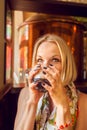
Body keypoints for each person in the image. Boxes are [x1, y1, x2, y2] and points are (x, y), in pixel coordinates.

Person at [14, 34, 87, 130]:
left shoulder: (83, 101)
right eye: (40, 60)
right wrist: (33, 101)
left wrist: (62, 106)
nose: (45, 67)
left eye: (55, 60)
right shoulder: (25, 93)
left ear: (66, 64)